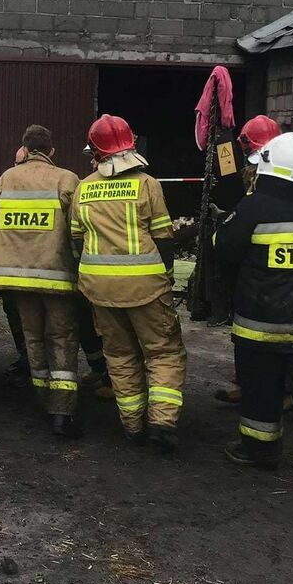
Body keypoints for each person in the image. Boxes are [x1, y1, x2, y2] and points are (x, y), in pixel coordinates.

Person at [216, 132, 293, 499]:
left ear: (267, 166)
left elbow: (224, 250)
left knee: (261, 392)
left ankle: (260, 451)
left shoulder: (253, 207)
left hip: (260, 328)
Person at [71, 115, 186, 453]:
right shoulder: (148, 184)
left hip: (99, 290)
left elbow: (76, 241)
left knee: (119, 356)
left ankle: (132, 425)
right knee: (163, 353)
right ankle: (162, 424)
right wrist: (166, 276)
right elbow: (164, 238)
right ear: (131, 145)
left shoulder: (83, 188)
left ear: (95, 151)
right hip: (147, 289)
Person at [0, 124, 84, 438]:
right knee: (62, 339)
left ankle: (42, 399)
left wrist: (1, 259)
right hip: (58, 278)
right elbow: (78, 232)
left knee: (33, 338)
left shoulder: (5, 179)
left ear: (25, 150)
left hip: (16, 278)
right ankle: (62, 412)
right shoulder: (67, 179)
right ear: (51, 150)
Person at [214, 113, 284, 401]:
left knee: (255, 329)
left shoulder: (270, 176)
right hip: (269, 262)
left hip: (263, 263)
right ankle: (249, 382)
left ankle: (261, 389)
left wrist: (229, 223)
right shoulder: (276, 171)